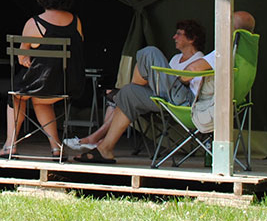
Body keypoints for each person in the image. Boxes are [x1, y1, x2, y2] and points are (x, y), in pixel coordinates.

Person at [70, 11, 255, 163]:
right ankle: (105, 149)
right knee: (129, 93)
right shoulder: (241, 55)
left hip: (188, 102)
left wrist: (174, 77)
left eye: (227, 22)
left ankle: (131, 90)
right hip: (184, 98)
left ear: (233, 29)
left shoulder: (224, 51)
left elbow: (189, 72)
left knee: (149, 53)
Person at [0, 0, 85, 159]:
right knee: (41, 100)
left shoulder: (34, 23)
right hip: (69, 85)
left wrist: (30, 61)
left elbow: (22, 58)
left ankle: (10, 145)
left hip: (42, 85)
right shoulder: (77, 22)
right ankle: (56, 148)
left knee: (18, 94)